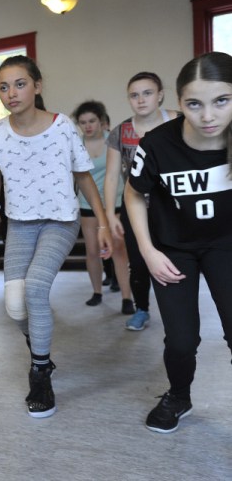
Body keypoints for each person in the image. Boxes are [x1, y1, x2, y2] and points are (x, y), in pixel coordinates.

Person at [0, 55, 112, 418]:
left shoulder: (62, 126)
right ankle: (40, 348)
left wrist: (101, 223)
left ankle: (39, 372)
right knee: (15, 306)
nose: (11, 93)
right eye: (3, 86)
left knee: (35, 289)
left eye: (20, 84)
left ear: (37, 85)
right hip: (19, 224)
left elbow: (84, 177)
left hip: (60, 221)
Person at [125, 51, 232, 433]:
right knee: (183, 340)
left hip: (226, 245)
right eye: (194, 104)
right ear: (179, 102)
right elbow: (133, 193)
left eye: (222, 100)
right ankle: (179, 396)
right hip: (173, 248)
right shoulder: (156, 144)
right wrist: (148, 251)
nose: (208, 116)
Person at [104, 72, 178, 331]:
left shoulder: (179, 121)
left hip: (173, 206)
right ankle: (142, 309)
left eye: (147, 93)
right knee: (138, 262)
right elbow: (112, 176)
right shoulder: (121, 132)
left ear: (160, 95)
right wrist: (110, 215)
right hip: (135, 205)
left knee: (174, 258)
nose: (141, 100)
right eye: (134, 95)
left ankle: (177, 312)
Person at [71, 102, 133, 313]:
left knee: (119, 250)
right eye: (82, 122)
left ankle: (127, 298)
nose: (87, 126)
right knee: (92, 251)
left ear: (101, 121)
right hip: (87, 204)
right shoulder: (76, 144)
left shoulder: (113, 141)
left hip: (114, 203)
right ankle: (97, 292)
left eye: (92, 121)